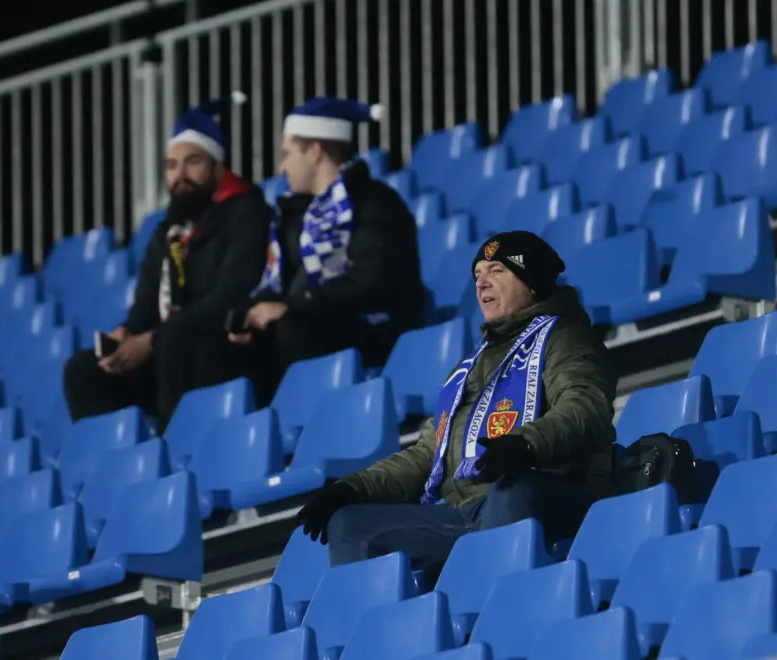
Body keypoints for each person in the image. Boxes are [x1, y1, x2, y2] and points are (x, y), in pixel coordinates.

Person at [295, 231, 617, 572]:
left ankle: (503, 610)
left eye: (497, 271)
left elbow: (585, 406)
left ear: (532, 282)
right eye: (478, 275)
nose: (482, 284)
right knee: (350, 525)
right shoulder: (469, 367)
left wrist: (526, 445)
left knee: (509, 490)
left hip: (545, 494)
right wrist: (351, 489)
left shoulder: (565, 336)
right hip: (461, 514)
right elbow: (426, 455)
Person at [62, 93, 270, 429]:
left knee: (175, 341)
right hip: (172, 354)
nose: (179, 175)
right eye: (171, 166)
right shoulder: (166, 233)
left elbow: (231, 294)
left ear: (218, 167)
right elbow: (146, 306)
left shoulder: (246, 212)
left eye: (193, 162)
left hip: (224, 349)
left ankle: (179, 457)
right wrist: (128, 335)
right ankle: (117, 471)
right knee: (84, 370)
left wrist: (155, 340)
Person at [229, 97, 424, 405]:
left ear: (315, 152)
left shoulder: (374, 201)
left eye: (288, 154)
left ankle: (313, 424)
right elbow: (279, 282)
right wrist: (250, 315)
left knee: (295, 326)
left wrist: (295, 306)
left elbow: (371, 281)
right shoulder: (293, 216)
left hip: (372, 328)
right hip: (314, 323)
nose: (282, 166)